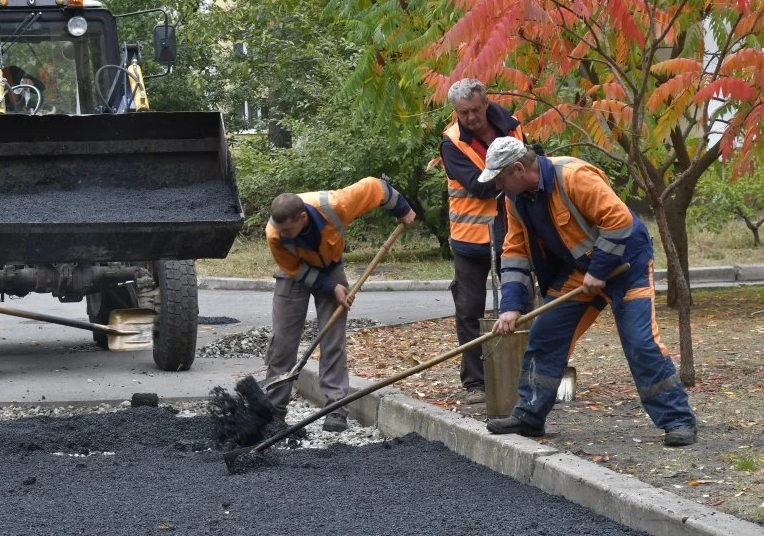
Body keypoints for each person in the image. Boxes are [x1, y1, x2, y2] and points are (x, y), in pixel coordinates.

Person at [479, 137, 698, 447]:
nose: (498, 185)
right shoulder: (515, 199)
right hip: (580, 271)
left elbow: (619, 220)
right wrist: (511, 306)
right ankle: (529, 416)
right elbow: (515, 251)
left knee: (640, 342)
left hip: (626, 266)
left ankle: (678, 421)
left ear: (518, 168)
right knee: (544, 335)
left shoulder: (573, 176)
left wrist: (600, 270)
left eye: (501, 177)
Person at [263, 177, 417, 432]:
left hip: (330, 266)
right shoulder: (274, 234)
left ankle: (335, 410)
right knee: (282, 343)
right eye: (280, 230)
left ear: (302, 218)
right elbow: (294, 270)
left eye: (288, 231)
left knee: (333, 341)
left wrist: (402, 209)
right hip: (294, 275)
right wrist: (331, 288)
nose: (282, 234)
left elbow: (375, 187)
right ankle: (274, 411)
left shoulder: (336, 205)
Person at [431, 78, 526, 405]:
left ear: (485, 104)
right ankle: (476, 382)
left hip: (512, 229)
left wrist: (516, 176)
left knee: (518, 303)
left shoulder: (512, 126)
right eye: (462, 113)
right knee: (469, 310)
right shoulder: (451, 142)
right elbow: (480, 186)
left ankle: (521, 375)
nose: (469, 118)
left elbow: (525, 166)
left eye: (473, 110)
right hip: (470, 237)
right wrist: (511, 175)